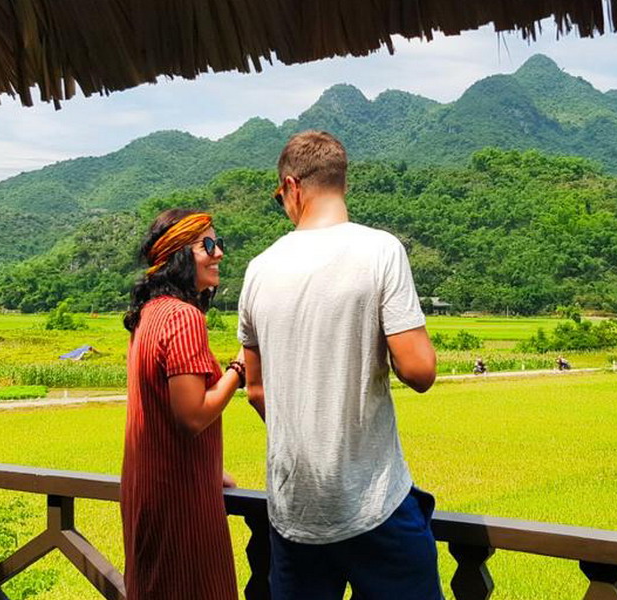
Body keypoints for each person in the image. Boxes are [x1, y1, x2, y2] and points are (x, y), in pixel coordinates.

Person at [237, 131, 442, 600]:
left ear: (291, 187)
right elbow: (420, 371)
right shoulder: (381, 251)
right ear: (343, 183)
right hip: (375, 503)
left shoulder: (259, 269)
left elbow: (256, 390)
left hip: (292, 512)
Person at [120, 209, 247, 600]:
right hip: (180, 501)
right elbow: (191, 416)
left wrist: (207, 469)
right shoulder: (183, 317)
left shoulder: (150, 313)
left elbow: (157, 409)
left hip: (148, 488)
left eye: (218, 242)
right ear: (178, 255)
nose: (218, 252)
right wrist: (239, 368)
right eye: (206, 244)